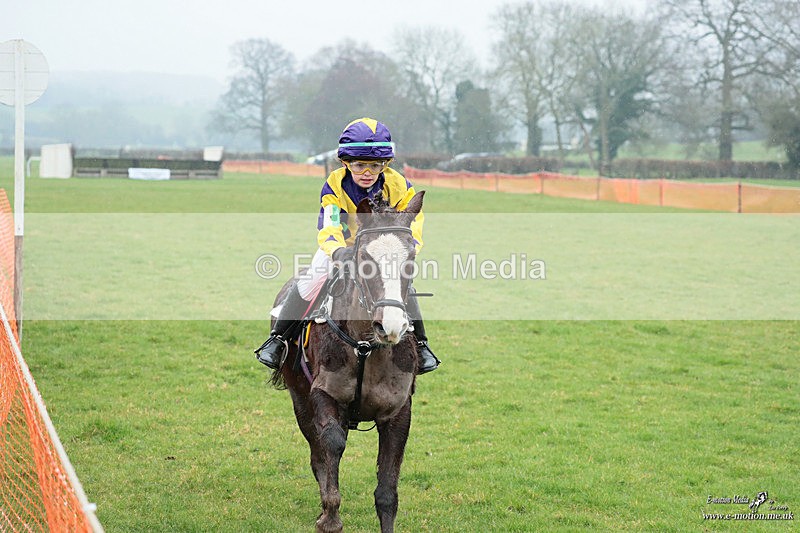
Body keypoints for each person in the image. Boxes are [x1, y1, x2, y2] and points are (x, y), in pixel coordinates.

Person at [255, 117, 440, 374]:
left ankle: (421, 345)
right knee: (312, 279)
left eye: (375, 166)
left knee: (400, 287)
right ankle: (277, 339)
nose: (367, 172)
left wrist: (407, 250)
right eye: (359, 165)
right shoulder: (335, 184)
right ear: (345, 162)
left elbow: (412, 222)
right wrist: (338, 251)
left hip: (381, 251)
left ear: (385, 164)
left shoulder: (399, 185)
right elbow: (330, 223)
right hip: (342, 247)